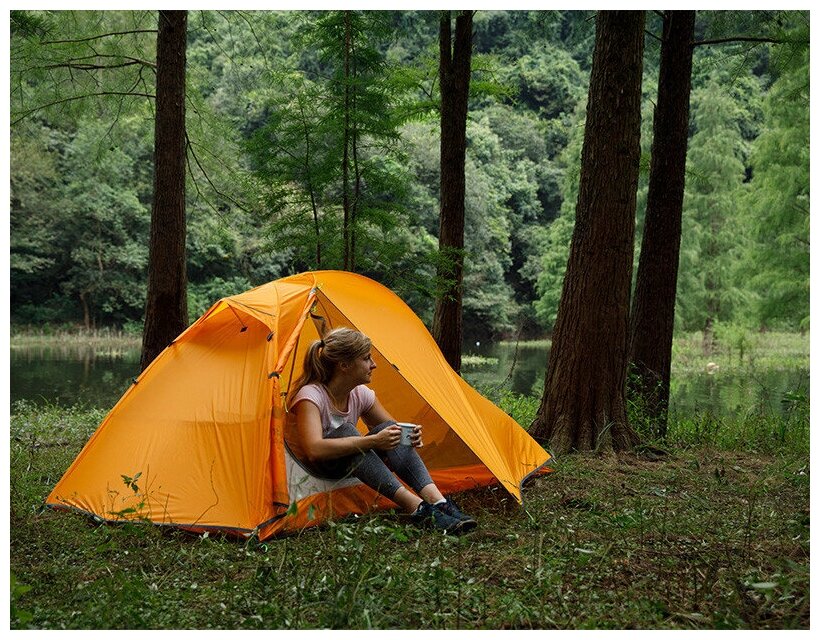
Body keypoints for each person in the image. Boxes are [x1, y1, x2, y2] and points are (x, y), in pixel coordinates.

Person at [289, 327, 477, 534]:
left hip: (353, 464)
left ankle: (438, 501)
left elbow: (391, 430)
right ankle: (416, 508)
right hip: (319, 470)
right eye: (366, 358)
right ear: (344, 365)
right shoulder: (311, 396)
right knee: (347, 432)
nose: (374, 364)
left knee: (392, 430)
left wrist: (408, 436)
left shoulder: (360, 394)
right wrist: (373, 441)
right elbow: (314, 450)